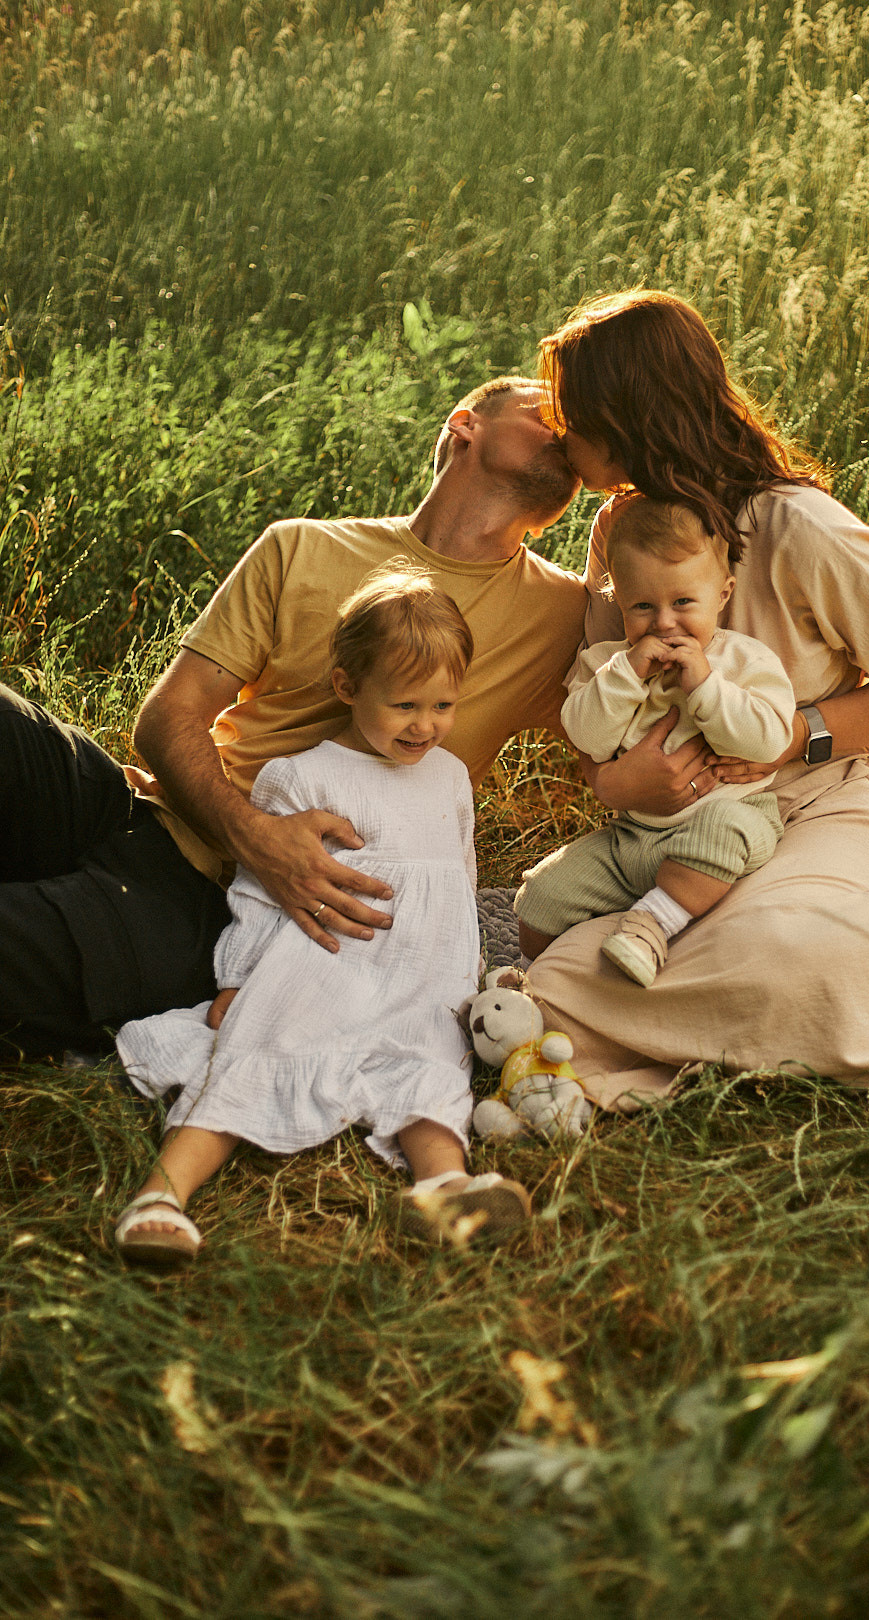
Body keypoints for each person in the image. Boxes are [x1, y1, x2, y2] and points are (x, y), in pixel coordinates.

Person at [524, 289, 869, 1103]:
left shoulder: (797, 527)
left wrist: (794, 734)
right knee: (558, 979)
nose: (559, 434)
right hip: (677, 833)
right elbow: (600, 688)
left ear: (625, 415)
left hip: (819, 805)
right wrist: (612, 782)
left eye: (571, 415)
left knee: (781, 943)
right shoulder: (622, 530)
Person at [0, 375, 588, 1063]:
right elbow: (169, 716)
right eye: (550, 413)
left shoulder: (563, 617)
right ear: (466, 426)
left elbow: (640, 738)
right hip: (142, 810)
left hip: (222, 912)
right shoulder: (301, 547)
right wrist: (253, 832)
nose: (570, 431)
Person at [113, 569, 531, 1265]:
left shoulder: (451, 777)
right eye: (404, 705)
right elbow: (259, 888)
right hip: (327, 960)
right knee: (256, 1053)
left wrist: (471, 967)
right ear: (347, 687)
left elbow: (460, 877)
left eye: (443, 705)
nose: (425, 725)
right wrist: (238, 978)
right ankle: (161, 1195)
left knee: (431, 1066)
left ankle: (444, 1185)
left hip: (420, 975)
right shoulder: (302, 776)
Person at [515, 494, 794, 987]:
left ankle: (653, 923)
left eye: (683, 602)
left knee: (726, 828)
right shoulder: (606, 665)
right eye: (642, 606)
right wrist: (625, 675)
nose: (663, 622)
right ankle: (541, 976)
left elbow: (768, 741)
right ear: (619, 600)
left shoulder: (745, 661)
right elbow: (587, 736)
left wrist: (705, 687)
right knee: (538, 898)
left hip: (723, 821)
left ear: (723, 594)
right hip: (631, 839)